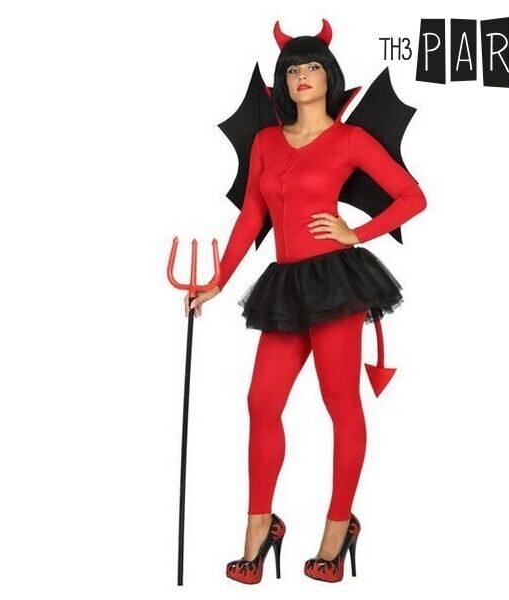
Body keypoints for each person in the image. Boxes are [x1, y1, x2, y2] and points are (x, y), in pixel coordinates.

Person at [184, 18, 427, 583]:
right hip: (286, 286)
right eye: (293, 69)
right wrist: (218, 281)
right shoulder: (266, 142)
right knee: (261, 401)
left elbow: (412, 196)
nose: (302, 76)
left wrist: (356, 233)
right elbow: (252, 216)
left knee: (340, 403)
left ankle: (338, 530)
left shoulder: (350, 140)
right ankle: (260, 526)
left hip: (336, 283)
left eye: (313, 66)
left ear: (329, 76)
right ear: (283, 82)